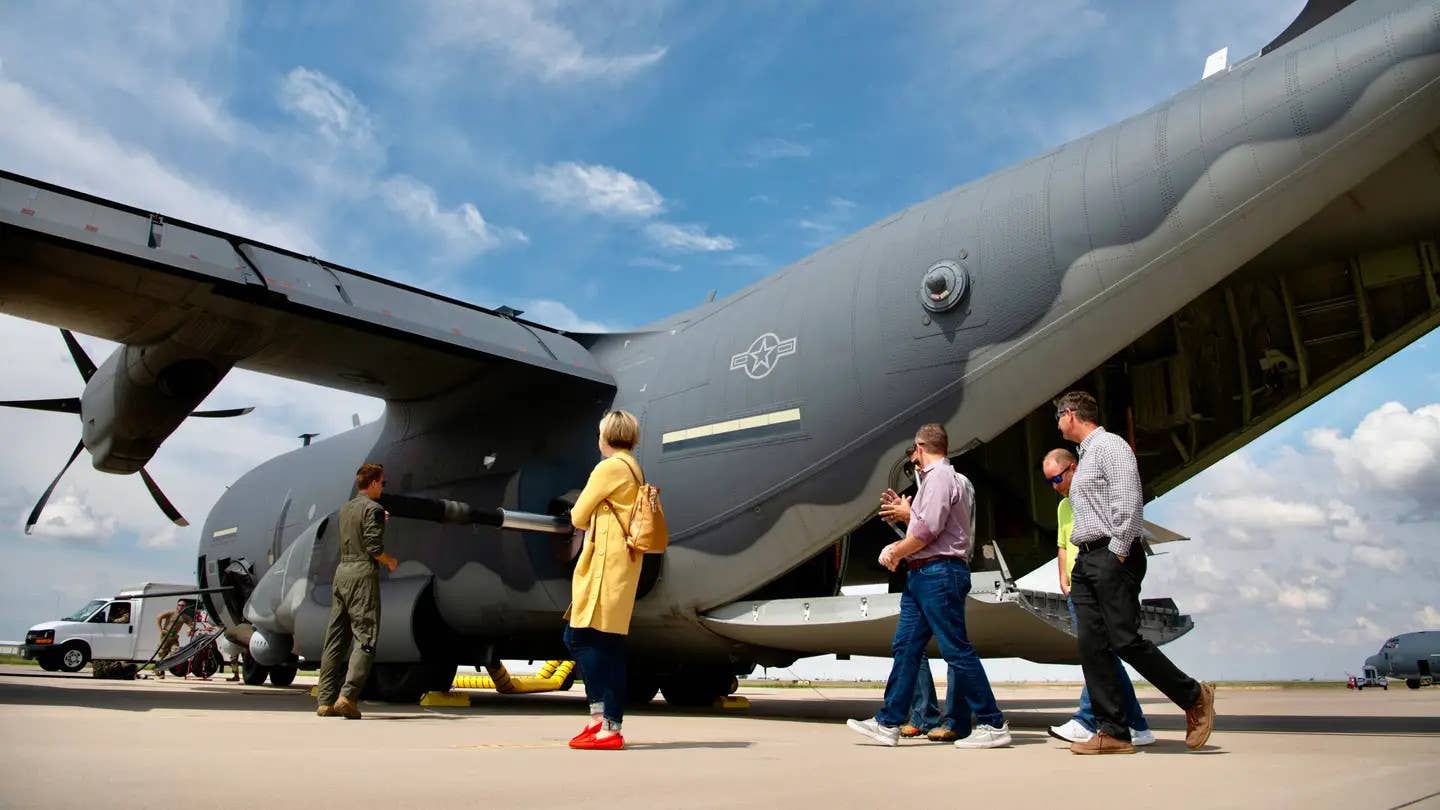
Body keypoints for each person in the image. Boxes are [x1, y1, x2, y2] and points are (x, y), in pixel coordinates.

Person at [1054, 391, 1215, 754]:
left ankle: (1194, 696)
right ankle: (1112, 731)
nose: (1058, 423)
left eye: (1058, 416)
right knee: (1091, 646)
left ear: (1070, 414)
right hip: (1088, 560)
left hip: (1113, 555)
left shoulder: (1111, 447)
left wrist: (1117, 552)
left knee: (1124, 640)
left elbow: (1129, 502)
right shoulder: (1086, 454)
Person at [846, 424, 1010, 749]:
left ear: (920, 448)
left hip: (940, 574)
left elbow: (926, 533)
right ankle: (889, 722)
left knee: (956, 649)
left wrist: (894, 551)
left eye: (913, 453)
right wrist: (907, 526)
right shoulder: (936, 481)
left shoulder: (939, 478)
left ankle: (993, 723)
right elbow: (922, 527)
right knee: (905, 646)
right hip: (922, 575)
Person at [1041, 447, 1154, 747]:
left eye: (1057, 478)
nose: (1055, 486)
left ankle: (1086, 718)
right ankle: (1138, 725)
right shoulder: (1064, 507)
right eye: (1049, 482)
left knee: (1099, 653)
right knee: (1101, 655)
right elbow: (1063, 543)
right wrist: (1063, 578)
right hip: (1078, 586)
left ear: (1073, 468)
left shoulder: (1091, 497)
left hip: (1100, 579)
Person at [564, 410, 648, 751]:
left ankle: (607, 724)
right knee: (605, 644)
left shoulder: (609, 467)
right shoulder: (633, 467)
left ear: (606, 436)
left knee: (579, 639)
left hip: (604, 568)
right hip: (620, 567)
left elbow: (578, 514)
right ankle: (602, 721)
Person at [316, 462, 398, 719]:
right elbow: (373, 548)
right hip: (362, 573)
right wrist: (390, 561)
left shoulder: (346, 508)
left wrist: (377, 517)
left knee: (336, 638)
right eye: (382, 483)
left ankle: (325, 701)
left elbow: (358, 528)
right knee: (365, 637)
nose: (383, 488)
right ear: (373, 483)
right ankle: (348, 696)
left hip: (342, 573)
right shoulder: (374, 509)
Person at [151, 599, 194, 678]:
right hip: (165, 636)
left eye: (183, 605)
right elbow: (159, 617)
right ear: (177, 606)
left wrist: (190, 630)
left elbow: (192, 624)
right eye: (179, 605)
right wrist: (161, 629)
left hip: (174, 637)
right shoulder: (171, 613)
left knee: (175, 651)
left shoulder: (185, 617)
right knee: (162, 653)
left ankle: (159, 666)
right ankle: (160, 672)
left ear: (185, 607)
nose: (180, 607)